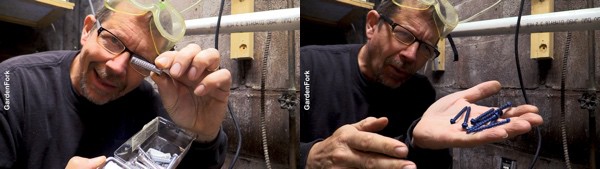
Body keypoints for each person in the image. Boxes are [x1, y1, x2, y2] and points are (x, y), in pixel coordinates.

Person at [299, 0, 544, 168]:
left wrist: (420, 145)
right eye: (404, 34)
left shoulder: (420, 91)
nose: (411, 56)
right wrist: (309, 157)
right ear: (373, 25)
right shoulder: (307, 65)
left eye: (426, 48)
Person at [0, 1, 230, 168]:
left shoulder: (147, 103)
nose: (117, 67)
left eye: (140, 60)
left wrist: (202, 135)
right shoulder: (13, 83)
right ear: (88, 29)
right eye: (112, 40)